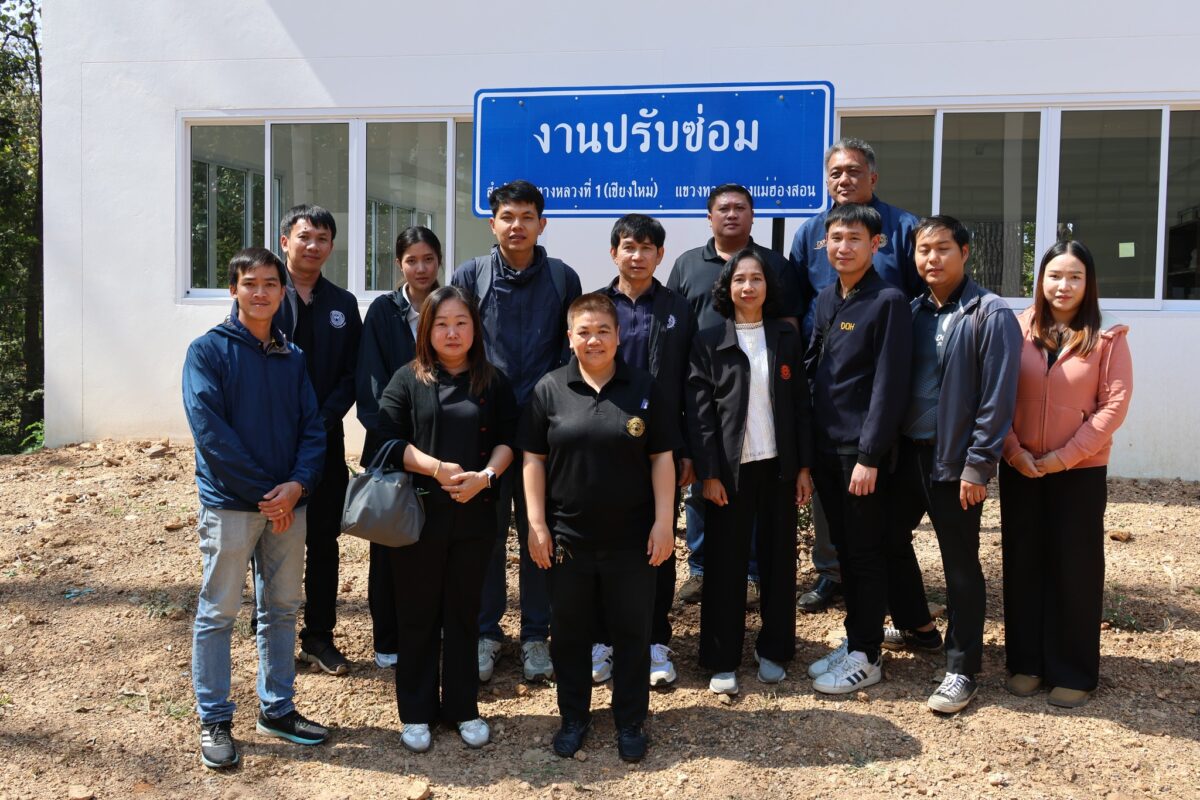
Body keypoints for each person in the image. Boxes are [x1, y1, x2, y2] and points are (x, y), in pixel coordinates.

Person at [182, 247, 329, 770]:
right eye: (251, 283)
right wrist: (270, 495)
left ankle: (278, 708)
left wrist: (297, 486)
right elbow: (211, 435)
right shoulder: (208, 352)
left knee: (282, 609)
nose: (261, 292)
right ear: (233, 290)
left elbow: (313, 428)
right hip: (233, 506)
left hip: (287, 505)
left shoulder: (293, 357)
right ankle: (215, 719)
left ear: (282, 291)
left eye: (270, 283)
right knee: (219, 612)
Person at [520, 293, 678, 763]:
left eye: (603, 331)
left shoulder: (644, 387)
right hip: (567, 539)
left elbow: (662, 458)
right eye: (584, 332)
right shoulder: (549, 389)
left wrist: (664, 522)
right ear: (570, 337)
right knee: (570, 635)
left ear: (618, 335)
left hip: (633, 540)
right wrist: (535, 524)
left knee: (632, 634)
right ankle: (574, 717)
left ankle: (631, 721)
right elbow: (533, 460)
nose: (594, 340)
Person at [882, 216, 1021, 713]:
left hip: (955, 462)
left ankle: (962, 667)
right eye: (923, 250)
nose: (932, 258)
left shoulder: (990, 314)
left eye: (943, 248)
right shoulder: (912, 310)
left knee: (959, 563)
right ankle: (918, 626)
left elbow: (997, 398)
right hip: (906, 455)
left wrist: (978, 465)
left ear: (965, 252)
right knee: (886, 539)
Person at [374, 286, 518, 752]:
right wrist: (435, 468)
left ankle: (463, 708)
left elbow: (509, 440)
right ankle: (416, 712)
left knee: (463, 613)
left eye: (461, 323)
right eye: (441, 324)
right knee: (416, 614)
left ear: (475, 328)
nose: (452, 332)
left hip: (475, 516)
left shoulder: (493, 382)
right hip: (418, 517)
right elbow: (384, 442)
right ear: (426, 329)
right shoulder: (407, 379)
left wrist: (486, 477)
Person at [451, 180, 582, 683]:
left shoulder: (562, 278)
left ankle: (534, 636)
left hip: (543, 431)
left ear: (541, 224)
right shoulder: (472, 275)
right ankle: (486, 633)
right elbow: (457, 342)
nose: (517, 226)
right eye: (507, 216)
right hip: (484, 427)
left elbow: (570, 353)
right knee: (483, 533)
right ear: (493, 223)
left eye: (527, 216)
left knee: (538, 531)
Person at [789, 138, 921, 613]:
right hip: (829, 389)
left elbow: (920, 297)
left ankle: (884, 593)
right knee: (832, 497)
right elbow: (797, 303)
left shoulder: (902, 227)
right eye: (836, 173)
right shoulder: (810, 232)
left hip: (879, 387)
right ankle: (832, 573)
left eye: (853, 171)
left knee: (874, 502)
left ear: (873, 177)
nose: (844, 179)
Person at [1000, 240, 1133, 708]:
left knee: (1074, 566)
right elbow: (995, 394)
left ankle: (1073, 669)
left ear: (1088, 283)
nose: (1063, 285)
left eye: (1075, 276)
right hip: (1021, 467)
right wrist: (1013, 451)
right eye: (1054, 275)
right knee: (1023, 561)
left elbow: (1113, 407)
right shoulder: (1016, 329)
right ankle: (1027, 662)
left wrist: (1065, 456)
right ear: (1040, 281)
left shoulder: (1108, 337)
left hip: (1079, 470)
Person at [665, 183, 802, 607]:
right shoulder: (688, 265)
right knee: (705, 486)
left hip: (759, 389)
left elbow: (790, 324)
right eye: (722, 208)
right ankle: (702, 568)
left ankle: (756, 573)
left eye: (740, 208)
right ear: (709, 217)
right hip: (704, 388)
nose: (731, 214)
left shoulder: (775, 264)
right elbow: (675, 325)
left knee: (760, 489)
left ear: (752, 215)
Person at [687, 249, 814, 696]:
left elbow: (800, 406)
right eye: (739, 279)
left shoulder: (785, 336)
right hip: (729, 473)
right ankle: (721, 658)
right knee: (725, 566)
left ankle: (774, 649)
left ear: (767, 287)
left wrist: (803, 467)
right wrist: (709, 474)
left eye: (756, 278)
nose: (748, 287)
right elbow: (700, 417)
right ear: (727, 287)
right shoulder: (708, 341)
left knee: (779, 562)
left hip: (779, 468)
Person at [804, 203, 911, 695]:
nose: (843, 247)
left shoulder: (888, 301)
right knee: (845, 551)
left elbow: (890, 385)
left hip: (860, 454)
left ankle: (867, 656)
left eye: (854, 239)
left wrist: (870, 456)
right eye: (836, 238)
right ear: (824, 244)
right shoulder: (828, 297)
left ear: (876, 244)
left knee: (865, 552)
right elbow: (815, 369)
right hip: (826, 448)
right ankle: (856, 638)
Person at [594, 213, 694, 688]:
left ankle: (655, 640)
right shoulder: (596, 307)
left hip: (661, 444)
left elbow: (693, 382)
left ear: (660, 255)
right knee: (602, 540)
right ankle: (603, 640)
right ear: (614, 252)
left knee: (659, 541)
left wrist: (687, 448)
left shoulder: (678, 308)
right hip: (604, 441)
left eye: (647, 248)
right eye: (629, 247)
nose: (637, 256)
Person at [274, 204, 362, 676]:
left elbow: (353, 373)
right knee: (272, 539)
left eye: (322, 238)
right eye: (304, 236)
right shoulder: (266, 294)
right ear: (285, 240)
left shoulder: (342, 304)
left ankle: (318, 637)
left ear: (331, 246)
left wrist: (323, 420)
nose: (313, 246)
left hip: (325, 439)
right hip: (273, 442)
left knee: (324, 541)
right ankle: (272, 634)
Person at [356, 226, 442, 670]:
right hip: (391, 448)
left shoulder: (450, 305)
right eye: (412, 260)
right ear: (399, 264)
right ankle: (388, 639)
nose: (421, 268)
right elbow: (370, 386)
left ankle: (433, 632)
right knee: (389, 546)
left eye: (428, 259)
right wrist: (396, 441)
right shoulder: (383, 311)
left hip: (441, 448)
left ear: (439, 261)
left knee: (435, 545)